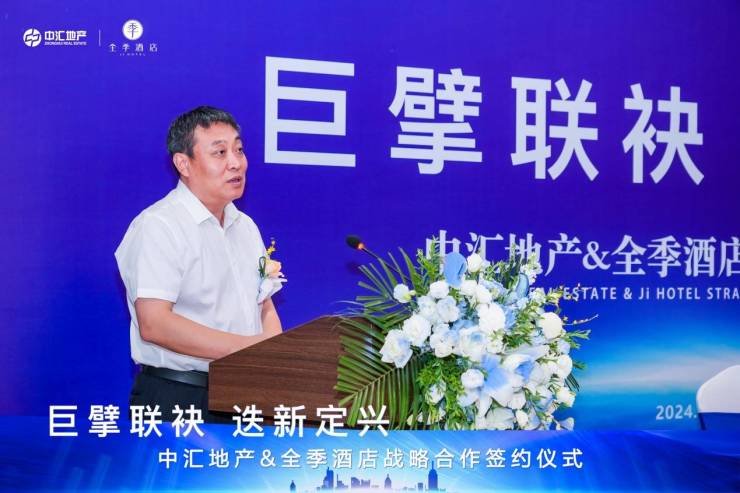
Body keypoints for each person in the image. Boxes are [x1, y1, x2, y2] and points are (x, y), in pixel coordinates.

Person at [115, 106, 282, 423]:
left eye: (239, 150)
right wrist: (246, 350)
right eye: (220, 152)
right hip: (180, 398)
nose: (236, 162)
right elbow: (154, 323)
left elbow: (265, 307)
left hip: (248, 395)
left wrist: (274, 356)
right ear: (183, 163)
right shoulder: (159, 225)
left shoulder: (245, 227)